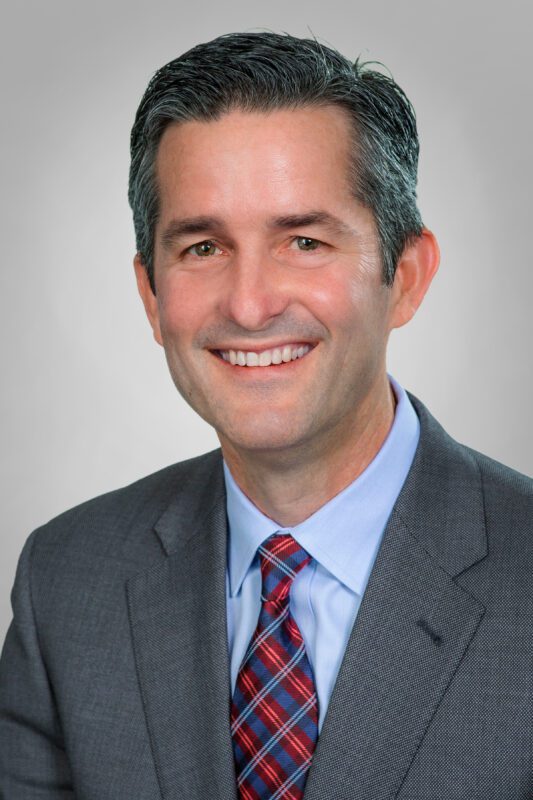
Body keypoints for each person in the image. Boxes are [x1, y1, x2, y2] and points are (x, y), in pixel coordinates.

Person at [0, 31, 531, 800]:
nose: (249, 305)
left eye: (304, 241)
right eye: (203, 248)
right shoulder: (67, 580)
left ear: (407, 277)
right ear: (151, 295)